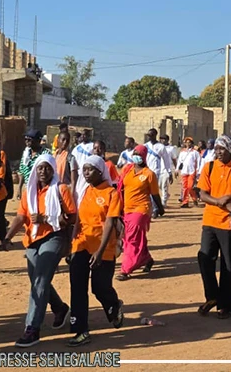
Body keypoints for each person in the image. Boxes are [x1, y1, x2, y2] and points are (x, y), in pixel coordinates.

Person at [2, 155, 72, 348]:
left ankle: (32, 328)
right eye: (40, 168)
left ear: (53, 169)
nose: (43, 171)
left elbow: (71, 217)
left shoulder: (61, 189)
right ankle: (59, 308)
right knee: (37, 280)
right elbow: (21, 217)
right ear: (35, 170)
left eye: (47, 168)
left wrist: (47, 218)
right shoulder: (29, 191)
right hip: (32, 239)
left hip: (54, 237)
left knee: (40, 280)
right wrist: (7, 238)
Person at [66, 155, 124, 346]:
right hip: (81, 244)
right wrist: (72, 245)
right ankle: (80, 330)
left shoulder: (111, 193)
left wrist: (99, 251)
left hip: (103, 247)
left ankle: (114, 306)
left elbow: (110, 222)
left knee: (99, 287)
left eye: (90, 170)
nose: (86, 173)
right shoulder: (84, 191)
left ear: (100, 172)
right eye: (84, 170)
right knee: (77, 286)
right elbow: (78, 220)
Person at [196, 135, 231, 319]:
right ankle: (212, 296)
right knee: (205, 258)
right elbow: (202, 194)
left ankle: (226, 305)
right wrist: (219, 202)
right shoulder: (210, 166)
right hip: (210, 221)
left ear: (230, 149)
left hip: (229, 223)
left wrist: (230, 198)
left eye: (222, 149)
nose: (219, 152)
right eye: (217, 149)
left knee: (228, 265)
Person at [117, 145, 160, 281]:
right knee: (131, 237)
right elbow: (120, 187)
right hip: (126, 209)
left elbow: (155, 194)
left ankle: (126, 269)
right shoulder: (127, 170)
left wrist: (160, 208)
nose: (136, 156)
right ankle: (147, 259)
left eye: (139, 154)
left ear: (144, 156)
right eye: (134, 153)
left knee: (132, 238)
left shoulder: (149, 174)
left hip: (141, 209)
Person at [142, 130, 168, 217]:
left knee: (153, 191)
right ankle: (150, 208)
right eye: (148, 135)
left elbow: (166, 159)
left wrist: (169, 171)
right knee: (146, 190)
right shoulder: (145, 146)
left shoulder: (161, 147)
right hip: (145, 171)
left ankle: (155, 209)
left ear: (155, 135)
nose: (149, 137)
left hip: (155, 171)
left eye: (151, 135)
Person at [178, 138, 201, 207]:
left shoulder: (195, 152)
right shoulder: (182, 152)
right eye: (186, 142)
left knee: (190, 187)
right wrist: (176, 169)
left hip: (192, 171)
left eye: (189, 142)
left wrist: (198, 171)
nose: (188, 144)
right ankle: (185, 202)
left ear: (192, 143)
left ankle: (194, 198)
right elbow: (179, 161)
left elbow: (199, 161)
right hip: (184, 171)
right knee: (184, 187)